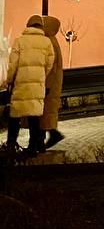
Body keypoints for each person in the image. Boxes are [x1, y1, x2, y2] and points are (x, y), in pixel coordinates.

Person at [5, 14, 54, 158]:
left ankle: (11, 144)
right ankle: (33, 146)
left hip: (21, 84)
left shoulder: (20, 41)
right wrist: (41, 74)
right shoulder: (47, 42)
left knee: (15, 115)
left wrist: (9, 80)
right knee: (34, 116)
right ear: (41, 26)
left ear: (28, 25)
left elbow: (13, 64)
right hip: (37, 84)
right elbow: (49, 63)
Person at [39, 15, 64, 150]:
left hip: (49, 83)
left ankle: (46, 138)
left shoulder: (49, 42)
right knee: (45, 112)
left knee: (43, 111)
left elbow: (50, 66)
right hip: (52, 83)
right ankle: (47, 137)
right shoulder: (52, 40)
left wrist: (46, 84)